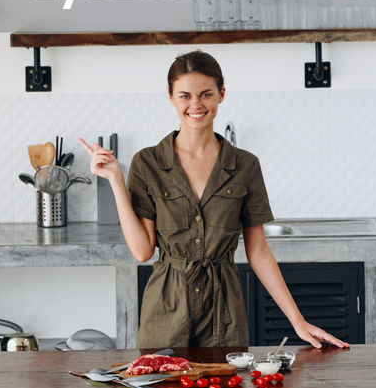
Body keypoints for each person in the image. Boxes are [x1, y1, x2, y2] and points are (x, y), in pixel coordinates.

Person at [80, 50, 348, 350]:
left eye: (206, 94)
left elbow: (258, 252)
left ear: (221, 94)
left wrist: (298, 321)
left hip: (225, 314)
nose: (196, 105)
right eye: (185, 95)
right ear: (170, 97)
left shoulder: (245, 165)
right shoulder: (148, 163)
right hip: (166, 309)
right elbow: (143, 252)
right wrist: (116, 179)